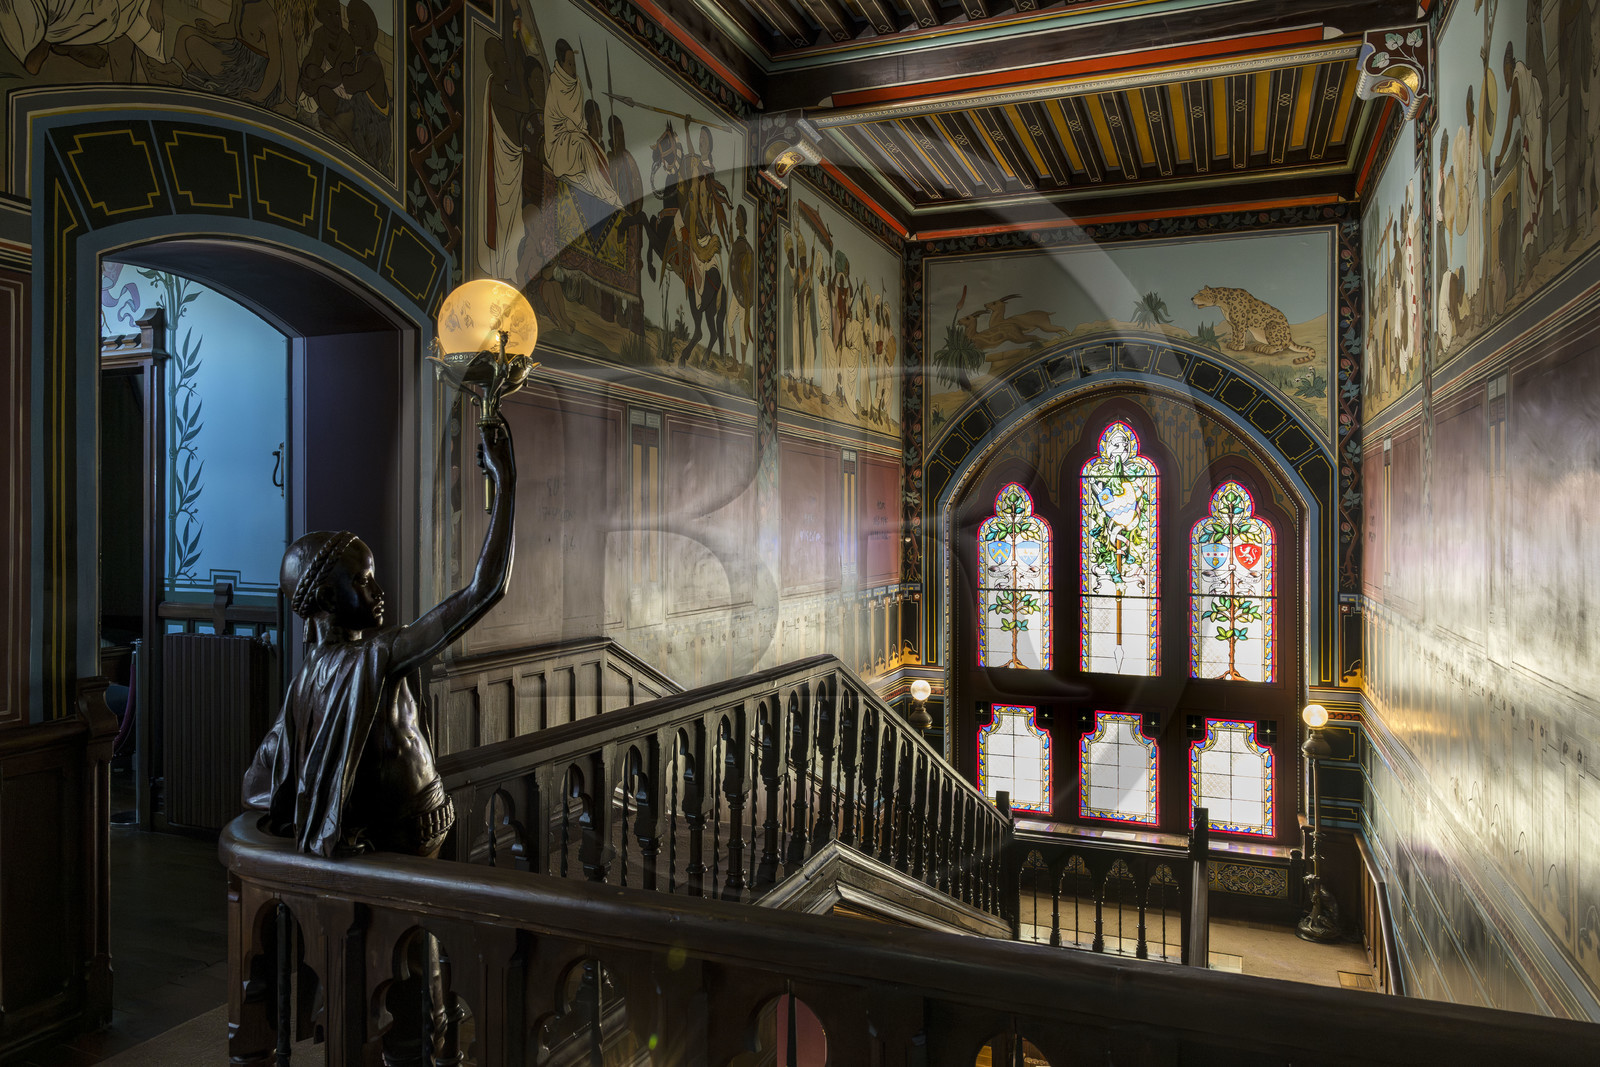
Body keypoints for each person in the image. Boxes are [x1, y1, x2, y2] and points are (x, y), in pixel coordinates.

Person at [243, 418, 516, 858]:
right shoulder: (377, 657)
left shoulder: (309, 676)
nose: (378, 591)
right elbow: (485, 591)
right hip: (407, 828)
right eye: (364, 581)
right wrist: (506, 485)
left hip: (403, 823)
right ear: (329, 597)